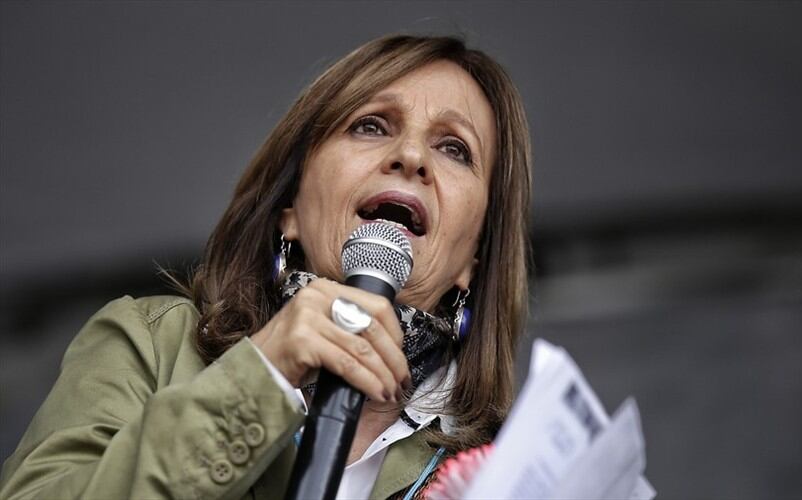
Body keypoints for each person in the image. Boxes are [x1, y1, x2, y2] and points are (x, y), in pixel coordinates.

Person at [0, 34, 531, 500]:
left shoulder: (514, 465)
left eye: (454, 149)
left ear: (472, 261)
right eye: (370, 125)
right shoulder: (150, 345)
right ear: (290, 213)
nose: (411, 154)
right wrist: (264, 377)